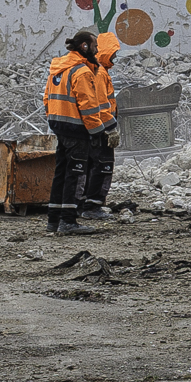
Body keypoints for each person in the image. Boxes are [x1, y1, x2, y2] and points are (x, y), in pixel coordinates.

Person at [42, 29, 118, 235]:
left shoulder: (58, 69)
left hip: (61, 128)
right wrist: (98, 133)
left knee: (60, 174)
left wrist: (54, 121)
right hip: (77, 130)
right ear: (84, 47)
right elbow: (89, 107)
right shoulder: (82, 72)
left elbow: (47, 99)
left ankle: (53, 220)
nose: (97, 51)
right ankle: (68, 221)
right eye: (94, 46)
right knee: (74, 176)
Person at [77, 32, 122, 222]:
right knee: (103, 166)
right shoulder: (100, 73)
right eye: (112, 53)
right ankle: (93, 205)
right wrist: (111, 128)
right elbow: (102, 105)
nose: (115, 57)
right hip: (101, 127)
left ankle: (84, 202)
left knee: (90, 166)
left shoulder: (95, 70)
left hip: (93, 127)